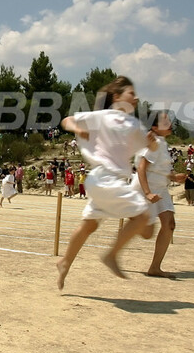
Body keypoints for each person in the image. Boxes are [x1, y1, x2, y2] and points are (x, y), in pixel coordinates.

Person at [55, 76, 156, 290]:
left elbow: (150, 147)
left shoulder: (134, 124)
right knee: (143, 218)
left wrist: (152, 143)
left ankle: (65, 262)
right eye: (131, 93)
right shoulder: (103, 117)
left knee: (90, 225)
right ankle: (111, 255)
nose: (136, 97)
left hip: (107, 182)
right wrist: (78, 129)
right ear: (117, 97)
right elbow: (66, 121)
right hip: (104, 178)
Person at [136, 111, 186, 278]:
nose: (170, 124)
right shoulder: (154, 143)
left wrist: (174, 177)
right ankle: (131, 216)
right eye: (165, 122)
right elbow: (141, 168)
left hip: (162, 190)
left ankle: (155, 267)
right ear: (155, 128)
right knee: (146, 232)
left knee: (169, 224)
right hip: (148, 190)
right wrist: (147, 193)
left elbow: (160, 169)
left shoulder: (163, 143)